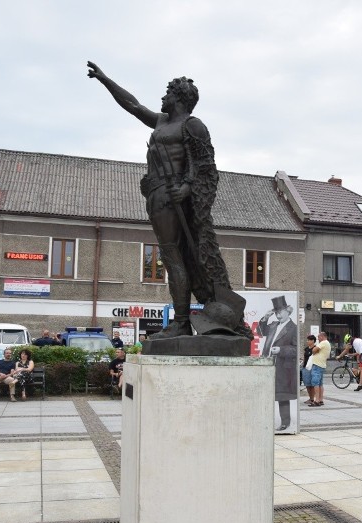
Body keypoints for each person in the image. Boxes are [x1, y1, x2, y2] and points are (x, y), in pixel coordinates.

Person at [88, 62, 246, 339]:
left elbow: (206, 166)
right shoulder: (162, 122)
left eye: (167, 93)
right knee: (172, 256)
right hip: (158, 194)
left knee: (174, 257)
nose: (162, 98)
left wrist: (187, 187)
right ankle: (182, 321)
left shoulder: (192, 126)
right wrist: (105, 80)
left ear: (180, 97)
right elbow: (134, 106)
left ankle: (182, 322)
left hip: (176, 198)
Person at [259, 296, 298, 431]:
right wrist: (265, 318)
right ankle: (265, 420)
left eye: (280, 311)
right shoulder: (274, 325)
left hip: (283, 367)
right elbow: (261, 331)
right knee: (266, 393)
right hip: (268, 363)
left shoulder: (294, 328)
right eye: (276, 312)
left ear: (288, 311)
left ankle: (285, 423)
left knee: (282, 396)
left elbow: (296, 349)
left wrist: (281, 350)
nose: (278, 314)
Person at [308, 332, 331, 406]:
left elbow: (314, 350)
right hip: (321, 364)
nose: (318, 338)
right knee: (320, 383)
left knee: (315, 383)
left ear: (322, 336)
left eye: (319, 337)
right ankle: (321, 399)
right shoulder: (327, 343)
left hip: (317, 365)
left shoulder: (323, 342)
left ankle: (317, 400)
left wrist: (315, 349)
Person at [302, 335, 315, 403]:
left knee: (311, 384)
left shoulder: (315, 348)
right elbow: (304, 357)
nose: (307, 341)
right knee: (307, 384)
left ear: (312, 341)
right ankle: (310, 398)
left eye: (309, 340)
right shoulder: (306, 349)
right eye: (307, 340)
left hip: (312, 368)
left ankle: (312, 398)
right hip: (305, 367)